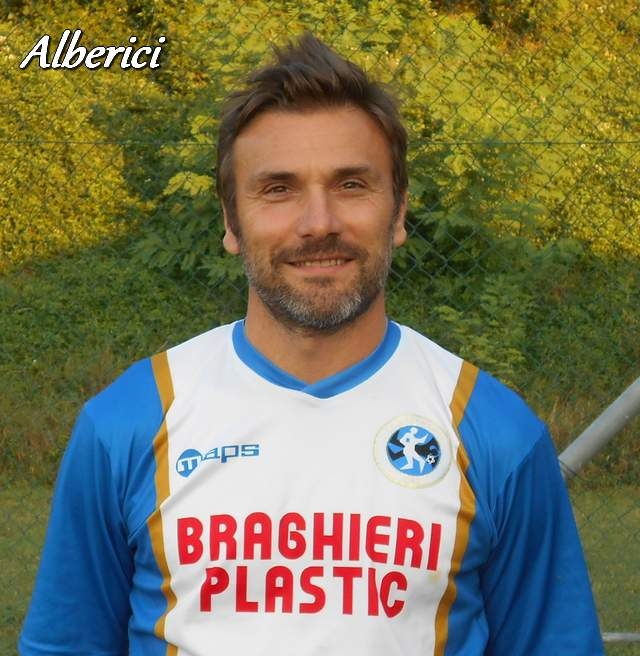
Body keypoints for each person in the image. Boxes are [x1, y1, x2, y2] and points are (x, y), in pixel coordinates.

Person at [20, 33, 604, 655]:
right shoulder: (129, 422)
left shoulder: (493, 431)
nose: (318, 222)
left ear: (398, 212)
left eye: (351, 185)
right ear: (231, 221)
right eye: (278, 189)